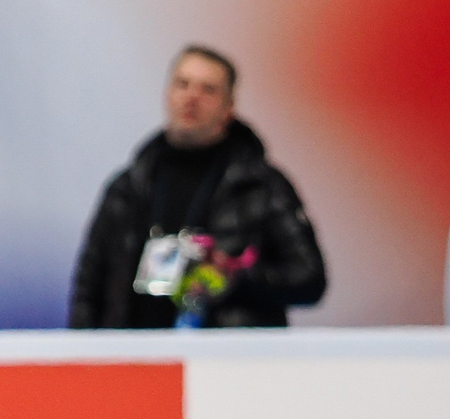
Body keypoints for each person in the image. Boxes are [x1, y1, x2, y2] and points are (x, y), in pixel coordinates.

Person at [68, 46, 327, 330]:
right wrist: (86, 356)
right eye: (183, 84)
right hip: (136, 356)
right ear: (167, 93)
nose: (192, 97)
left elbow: (310, 278)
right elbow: (89, 285)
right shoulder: (129, 186)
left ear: (229, 107)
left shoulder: (261, 186)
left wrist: (235, 279)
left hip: (225, 360)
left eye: (208, 89)